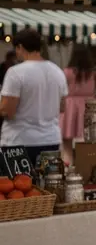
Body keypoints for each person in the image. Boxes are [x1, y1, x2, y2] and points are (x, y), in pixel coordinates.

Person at [0, 29, 68, 167]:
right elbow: (62, 107)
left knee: (18, 187)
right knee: (46, 187)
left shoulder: (15, 73)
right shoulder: (57, 72)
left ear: (20, 47)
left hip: (19, 141)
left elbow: (7, 111)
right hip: (50, 141)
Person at [61, 44, 96, 157]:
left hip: (70, 106)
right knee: (87, 138)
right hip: (88, 106)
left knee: (67, 139)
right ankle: (84, 161)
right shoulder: (93, 73)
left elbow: (62, 89)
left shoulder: (67, 72)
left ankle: (70, 162)